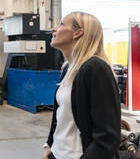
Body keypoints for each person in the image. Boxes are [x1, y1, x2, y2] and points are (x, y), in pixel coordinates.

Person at [43, 12, 121, 159]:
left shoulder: (95, 68)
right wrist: (50, 145)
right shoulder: (68, 67)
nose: (54, 29)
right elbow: (61, 115)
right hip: (58, 154)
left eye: (61, 24)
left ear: (77, 33)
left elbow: (107, 136)